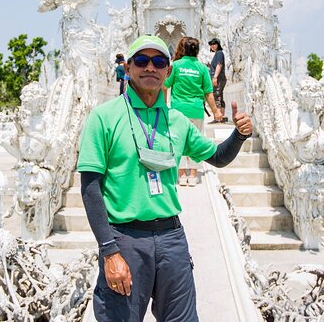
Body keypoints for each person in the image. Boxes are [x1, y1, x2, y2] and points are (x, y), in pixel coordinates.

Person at [78, 34, 253, 322]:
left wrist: (239, 135)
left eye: (158, 61)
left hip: (172, 238)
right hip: (125, 238)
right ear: (129, 67)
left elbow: (218, 157)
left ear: (167, 71)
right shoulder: (103, 117)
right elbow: (90, 188)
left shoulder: (176, 120)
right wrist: (109, 252)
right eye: (142, 61)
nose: (150, 68)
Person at [164, 36, 222, 186]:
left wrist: (163, 104)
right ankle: (194, 175)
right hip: (196, 110)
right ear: (197, 50)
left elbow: (165, 85)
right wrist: (216, 112)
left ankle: (182, 175)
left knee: (178, 140)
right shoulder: (202, 68)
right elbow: (208, 93)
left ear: (182, 49)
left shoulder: (176, 65)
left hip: (178, 111)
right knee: (195, 141)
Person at [208, 37, 228, 123]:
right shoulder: (218, 54)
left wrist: (215, 77)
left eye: (214, 44)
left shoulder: (219, 53)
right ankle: (221, 117)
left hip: (218, 78)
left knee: (216, 95)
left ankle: (218, 117)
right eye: (211, 44)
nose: (212, 46)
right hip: (220, 78)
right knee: (220, 96)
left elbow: (219, 65)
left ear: (218, 45)